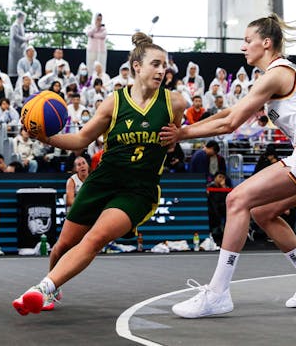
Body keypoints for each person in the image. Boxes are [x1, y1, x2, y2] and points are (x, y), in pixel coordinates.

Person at [160, 14, 296, 318]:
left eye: (248, 41)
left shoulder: (276, 74)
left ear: (266, 43)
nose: (243, 47)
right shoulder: (276, 76)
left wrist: (183, 133)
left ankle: (218, 293)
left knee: (236, 199)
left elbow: (231, 123)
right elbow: (231, 112)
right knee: (262, 212)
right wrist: (184, 133)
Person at [12, 32, 185, 315]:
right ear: (137, 67)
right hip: (103, 181)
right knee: (60, 247)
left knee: (95, 238)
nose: (162, 70)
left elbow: (174, 137)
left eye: (164, 65)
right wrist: (47, 139)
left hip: (138, 189)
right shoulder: (113, 103)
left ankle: (40, 289)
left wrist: (174, 138)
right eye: (155, 64)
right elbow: (81, 140)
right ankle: (51, 290)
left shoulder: (174, 103)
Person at [8, 12, 31, 77]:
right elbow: (15, 36)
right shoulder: (15, 25)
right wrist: (25, 39)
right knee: (15, 64)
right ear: (21, 17)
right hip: (16, 49)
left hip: (21, 48)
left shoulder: (21, 25)